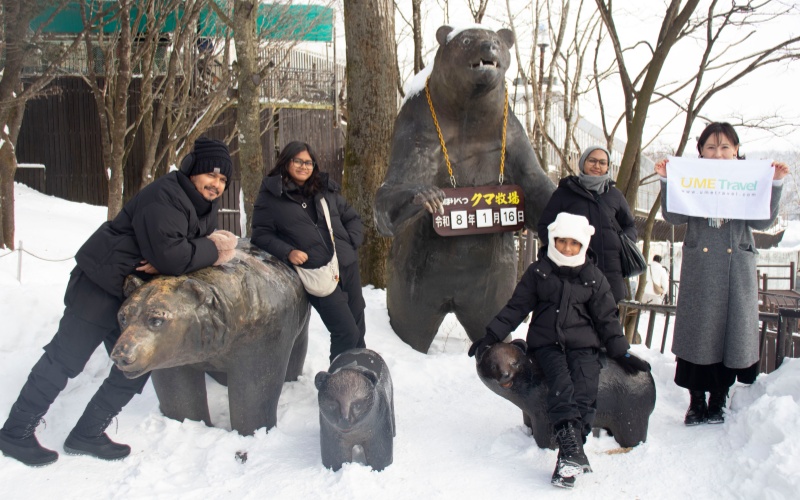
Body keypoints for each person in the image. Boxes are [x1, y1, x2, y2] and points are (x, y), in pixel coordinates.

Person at [0, 137, 237, 467]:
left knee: (135, 365)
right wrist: (204, 250)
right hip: (100, 285)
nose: (216, 184)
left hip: (132, 296)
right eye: (211, 175)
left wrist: (176, 257)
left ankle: (87, 433)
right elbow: (175, 256)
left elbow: (180, 255)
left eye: (223, 179)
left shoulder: (201, 207)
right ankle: (15, 433)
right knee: (64, 360)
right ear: (191, 170)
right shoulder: (165, 197)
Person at [468, 212, 650, 489]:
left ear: (583, 245)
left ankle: (571, 452)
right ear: (553, 240)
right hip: (547, 345)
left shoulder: (593, 278)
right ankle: (571, 451)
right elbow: (516, 307)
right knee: (561, 387)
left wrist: (621, 352)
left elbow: (607, 320)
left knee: (586, 391)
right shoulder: (539, 272)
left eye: (574, 243)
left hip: (585, 347)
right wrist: (490, 336)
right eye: (562, 241)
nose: (567, 248)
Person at [654, 122, 789, 426]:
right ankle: (696, 400)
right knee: (698, 333)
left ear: (736, 151)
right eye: (711, 147)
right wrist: (666, 180)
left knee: (729, 333)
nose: (718, 153)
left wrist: (776, 183)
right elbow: (674, 216)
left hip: (736, 268)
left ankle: (718, 400)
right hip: (701, 268)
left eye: (725, 147)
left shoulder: (749, 178)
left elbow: (764, 222)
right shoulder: (691, 176)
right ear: (700, 151)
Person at [251, 141, 365, 362]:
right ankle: (339, 387)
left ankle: (358, 375)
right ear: (286, 162)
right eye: (298, 161)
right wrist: (288, 252)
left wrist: (351, 242)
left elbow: (351, 217)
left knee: (358, 328)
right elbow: (260, 234)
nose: (304, 166)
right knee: (346, 332)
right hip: (316, 271)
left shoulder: (323, 189)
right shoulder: (271, 196)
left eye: (309, 162)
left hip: (346, 266)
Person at [538, 146, 637, 303]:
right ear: (583, 162)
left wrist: (619, 243)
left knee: (608, 324)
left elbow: (630, 226)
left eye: (602, 162)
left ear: (607, 167)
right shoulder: (565, 193)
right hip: (573, 273)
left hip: (610, 274)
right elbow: (545, 226)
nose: (597, 166)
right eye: (592, 160)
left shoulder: (615, 195)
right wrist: (562, 250)